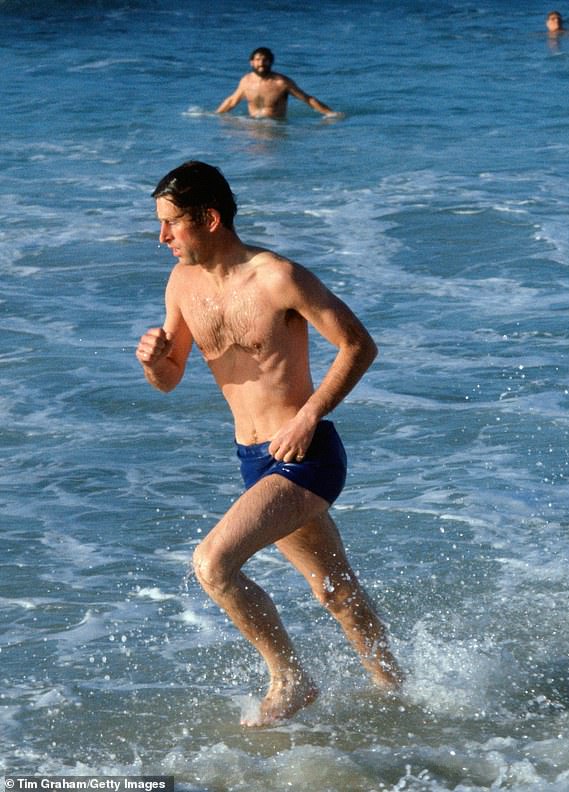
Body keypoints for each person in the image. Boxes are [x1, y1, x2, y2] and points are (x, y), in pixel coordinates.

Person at [136, 161, 402, 727]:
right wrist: (155, 363)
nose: (161, 237)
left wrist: (308, 416)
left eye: (170, 224)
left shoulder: (278, 277)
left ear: (208, 219)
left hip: (305, 456)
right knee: (334, 590)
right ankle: (398, 690)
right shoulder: (182, 284)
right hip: (253, 460)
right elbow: (172, 376)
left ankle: (290, 678)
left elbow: (359, 345)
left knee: (213, 564)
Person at [215, 47, 340, 119]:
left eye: (265, 60)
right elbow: (232, 101)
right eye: (258, 60)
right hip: (251, 125)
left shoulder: (282, 82)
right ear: (251, 62)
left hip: (275, 127)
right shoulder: (246, 81)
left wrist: (330, 113)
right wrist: (216, 115)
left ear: (271, 62)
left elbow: (307, 99)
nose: (261, 63)